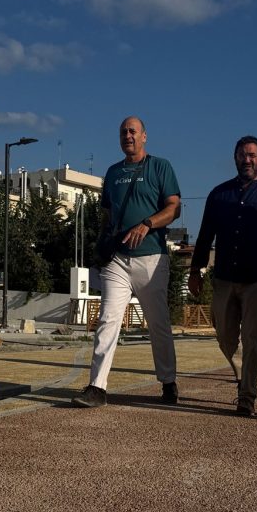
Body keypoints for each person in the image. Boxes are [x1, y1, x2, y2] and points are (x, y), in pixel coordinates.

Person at [74, 116, 182, 408]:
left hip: (151, 258)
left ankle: (168, 382)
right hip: (117, 262)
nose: (128, 136)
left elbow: (174, 208)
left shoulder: (160, 167)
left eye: (133, 131)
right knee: (108, 320)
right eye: (123, 132)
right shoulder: (112, 173)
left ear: (144, 136)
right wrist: (100, 249)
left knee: (158, 324)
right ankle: (97, 387)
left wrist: (148, 223)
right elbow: (107, 217)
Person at [190, 136, 257, 416]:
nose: (247, 160)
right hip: (224, 278)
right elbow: (204, 237)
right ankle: (247, 372)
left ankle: (247, 395)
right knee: (225, 336)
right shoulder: (218, 195)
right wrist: (195, 271)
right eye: (242, 155)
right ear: (235, 158)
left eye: (252, 155)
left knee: (254, 337)